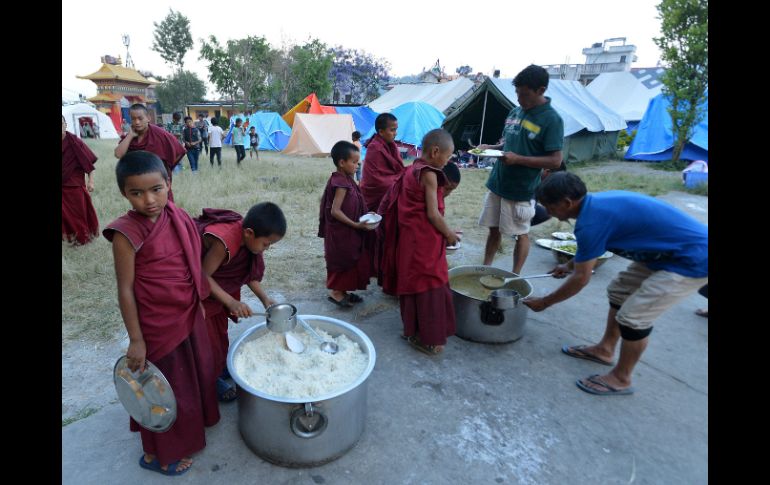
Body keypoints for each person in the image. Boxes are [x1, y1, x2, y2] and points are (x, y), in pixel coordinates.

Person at [523, 172, 708, 396]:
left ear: (567, 203)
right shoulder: (595, 207)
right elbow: (593, 249)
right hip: (663, 254)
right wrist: (569, 265)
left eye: (549, 207)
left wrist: (545, 302)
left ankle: (622, 378)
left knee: (633, 317)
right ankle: (605, 349)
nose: (549, 213)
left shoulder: (591, 222)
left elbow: (582, 279)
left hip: (692, 259)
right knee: (620, 292)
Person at [102, 150, 219, 476]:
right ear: (124, 193)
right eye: (136, 193)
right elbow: (125, 288)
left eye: (156, 189)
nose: (149, 200)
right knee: (164, 389)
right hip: (157, 324)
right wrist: (136, 339)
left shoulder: (176, 216)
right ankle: (163, 456)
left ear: (169, 184)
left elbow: (190, 262)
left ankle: (172, 442)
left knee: (187, 381)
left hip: (185, 312)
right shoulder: (126, 233)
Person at [378, 129, 460, 355]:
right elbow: (433, 215)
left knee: (414, 282)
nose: (448, 161)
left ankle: (411, 330)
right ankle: (428, 339)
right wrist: (449, 234)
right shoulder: (430, 174)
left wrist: (448, 228)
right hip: (425, 241)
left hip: (411, 238)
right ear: (435, 152)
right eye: (448, 156)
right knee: (430, 284)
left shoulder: (411, 169)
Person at [476, 64, 564, 275]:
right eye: (517, 92)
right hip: (498, 183)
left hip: (521, 189)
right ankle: (484, 268)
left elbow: (555, 161)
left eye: (524, 94)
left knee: (520, 234)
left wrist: (518, 160)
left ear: (541, 90)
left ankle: (515, 276)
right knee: (493, 229)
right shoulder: (515, 112)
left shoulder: (552, 120)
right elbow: (508, 145)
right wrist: (491, 148)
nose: (518, 98)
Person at [195, 203, 287, 402]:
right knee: (207, 340)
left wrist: (264, 298)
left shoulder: (250, 242)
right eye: (266, 244)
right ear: (248, 233)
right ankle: (211, 381)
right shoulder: (225, 241)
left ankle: (219, 367)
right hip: (201, 290)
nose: (267, 249)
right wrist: (231, 302)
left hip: (219, 290)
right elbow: (202, 276)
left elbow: (248, 274)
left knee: (220, 335)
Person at [318, 141, 375, 308]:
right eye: (354, 162)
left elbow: (354, 203)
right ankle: (336, 292)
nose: (357, 165)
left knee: (351, 260)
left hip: (348, 229)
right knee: (344, 259)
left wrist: (367, 213)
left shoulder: (346, 179)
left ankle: (343, 291)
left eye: (358, 162)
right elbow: (335, 211)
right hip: (342, 232)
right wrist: (356, 225)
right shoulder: (340, 183)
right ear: (342, 163)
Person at [115, 104, 186, 201]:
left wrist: (166, 170)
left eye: (140, 118)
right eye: (133, 119)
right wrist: (130, 135)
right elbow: (118, 154)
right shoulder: (131, 137)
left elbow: (179, 151)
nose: (137, 122)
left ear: (148, 118)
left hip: (158, 183)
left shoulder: (160, 134)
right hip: (139, 184)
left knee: (165, 211)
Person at [62, 115, 99, 245]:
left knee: (79, 216)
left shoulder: (75, 142)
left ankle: (83, 238)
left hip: (75, 187)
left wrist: (91, 182)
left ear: (66, 125)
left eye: (61, 124)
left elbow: (89, 165)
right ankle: (68, 239)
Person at [360, 113, 404, 212]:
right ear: (381, 132)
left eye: (396, 130)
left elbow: (398, 168)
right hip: (373, 195)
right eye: (392, 130)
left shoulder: (391, 145)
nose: (395, 133)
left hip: (389, 187)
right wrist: (399, 181)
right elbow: (375, 180)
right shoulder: (375, 148)